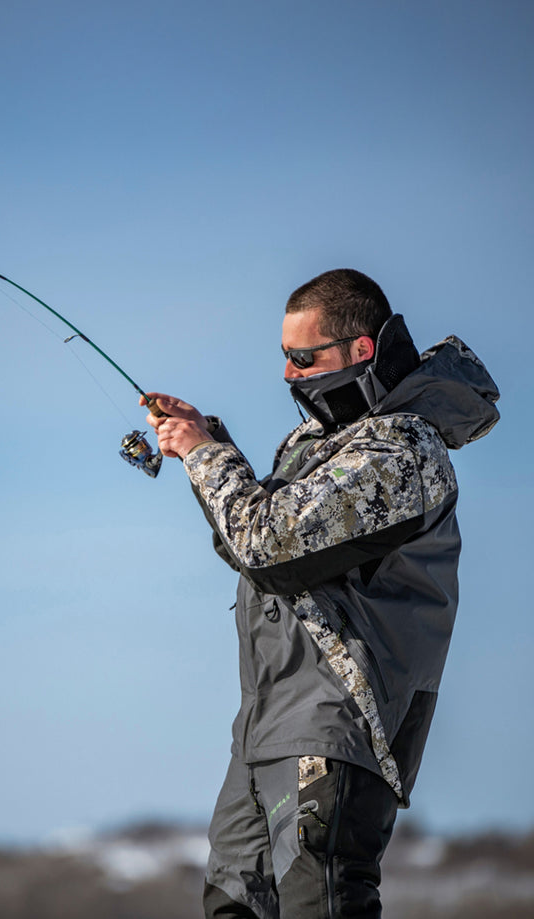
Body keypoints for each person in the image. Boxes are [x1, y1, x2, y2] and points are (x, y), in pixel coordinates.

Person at [141, 269, 499, 918]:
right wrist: (211, 443)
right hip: (261, 733)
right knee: (231, 906)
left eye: (302, 358)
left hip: (332, 732)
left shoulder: (402, 449)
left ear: (360, 350)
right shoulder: (315, 446)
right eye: (283, 357)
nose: (288, 375)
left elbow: (266, 542)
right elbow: (255, 548)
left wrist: (202, 453)